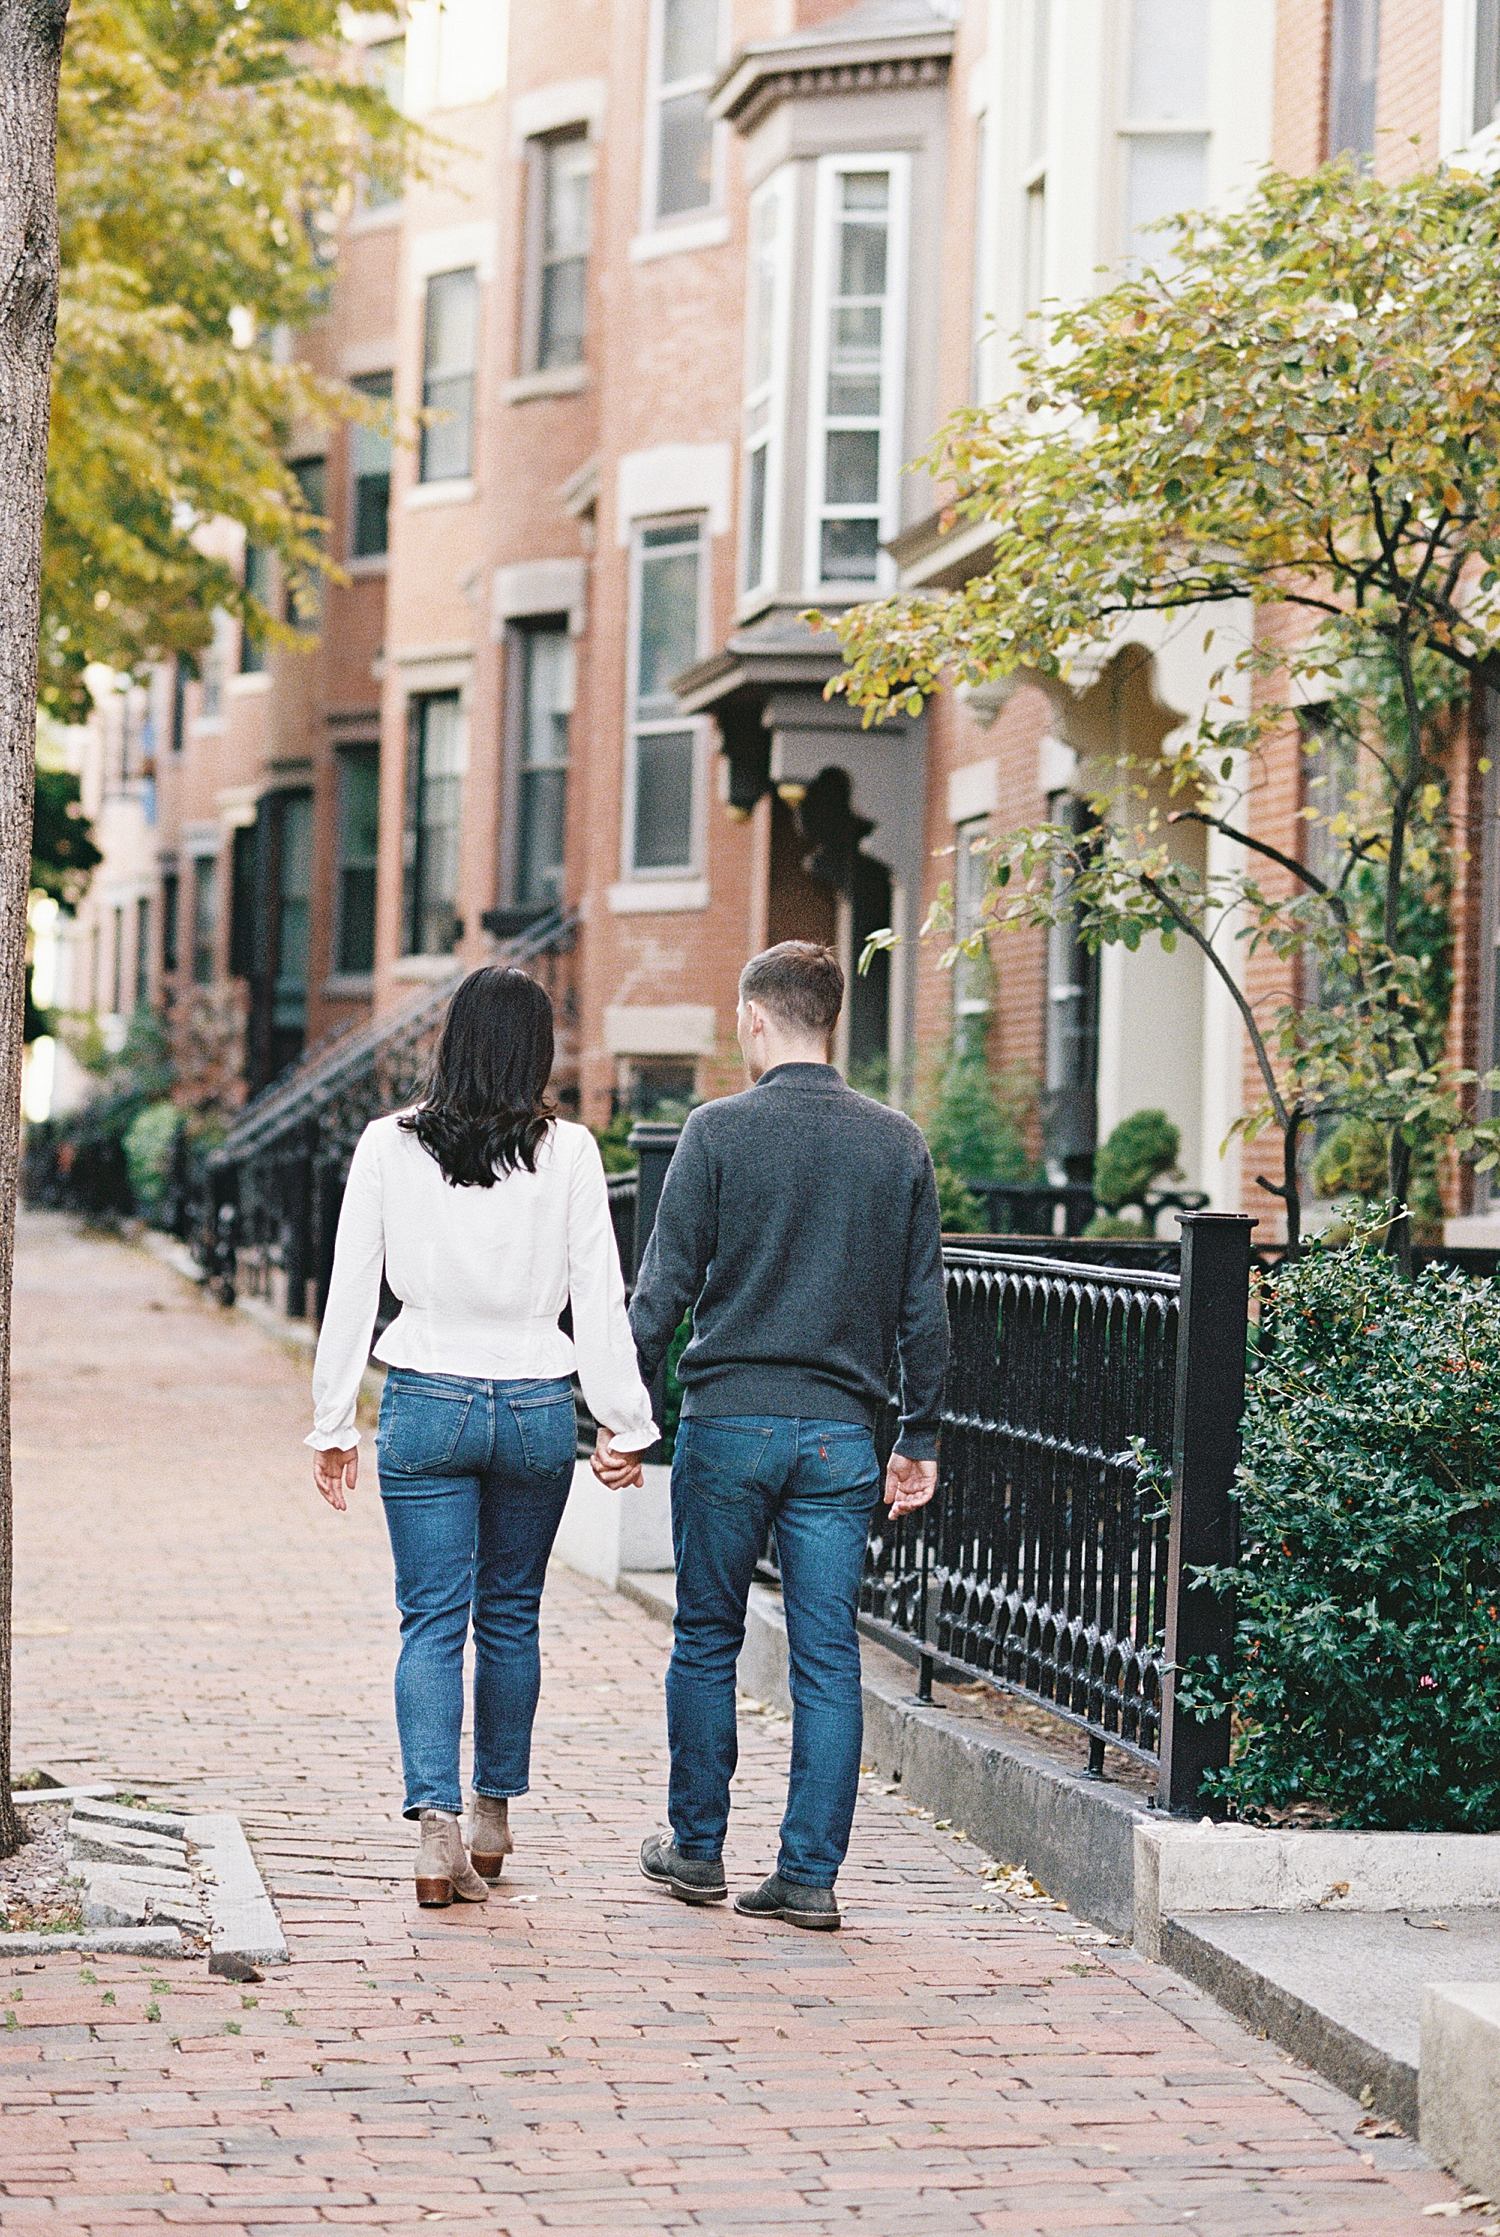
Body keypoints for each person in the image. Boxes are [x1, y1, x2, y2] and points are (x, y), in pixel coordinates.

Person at [595, 940, 948, 1931]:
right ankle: (808, 1873)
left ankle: (697, 1849)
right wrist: (917, 1434)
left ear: (755, 1017)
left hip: (728, 1427)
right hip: (840, 1435)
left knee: (706, 1636)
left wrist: (627, 1418)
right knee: (827, 1654)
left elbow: (660, 1288)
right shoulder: (895, 1142)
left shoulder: (716, 1132)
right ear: (829, 1019)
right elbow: (925, 1311)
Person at [308, 967, 656, 1909]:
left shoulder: (388, 1144)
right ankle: (493, 1812)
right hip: (536, 1403)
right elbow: (600, 1295)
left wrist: (333, 1420)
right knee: (510, 1615)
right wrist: (628, 1419)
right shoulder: (573, 1150)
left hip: (425, 1397)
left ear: (451, 1040)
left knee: (430, 1620)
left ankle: (435, 1830)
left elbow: (351, 1286)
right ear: (535, 1049)